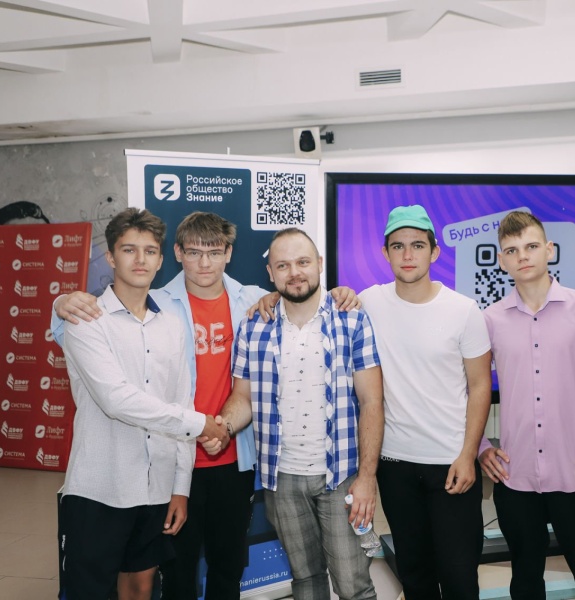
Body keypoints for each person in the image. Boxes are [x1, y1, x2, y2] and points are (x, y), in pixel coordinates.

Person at [52, 212, 360, 600]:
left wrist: (341, 293)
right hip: (169, 462)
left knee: (227, 565)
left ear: (229, 253)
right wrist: (60, 302)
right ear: (177, 254)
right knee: (174, 571)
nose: (204, 263)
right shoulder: (158, 304)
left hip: (232, 454)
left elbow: (300, 292)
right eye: (194, 252)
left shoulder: (252, 299)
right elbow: (77, 337)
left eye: (214, 253)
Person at [57, 208, 230, 600]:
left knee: (140, 588)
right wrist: (200, 423)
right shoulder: (86, 319)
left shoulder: (172, 324)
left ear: (161, 259)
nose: (140, 260)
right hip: (100, 488)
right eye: (129, 250)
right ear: (111, 257)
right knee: (88, 593)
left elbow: (180, 399)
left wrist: (180, 488)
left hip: (156, 488)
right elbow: (116, 399)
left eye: (149, 251)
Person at [203, 227, 384, 600]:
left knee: (353, 585)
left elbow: (372, 402)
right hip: (281, 479)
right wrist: (223, 427)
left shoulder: (352, 320)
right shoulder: (254, 325)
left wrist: (367, 477)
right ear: (270, 273)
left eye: (303, 262)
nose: (294, 272)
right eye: (283, 265)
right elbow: (243, 397)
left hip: (341, 476)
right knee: (305, 579)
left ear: (319, 264)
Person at [360, 205, 492, 600]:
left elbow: (480, 386)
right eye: (397, 246)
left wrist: (468, 455)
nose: (407, 255)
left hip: (451, 464)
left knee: (459, 579)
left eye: (417, 245)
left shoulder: (463, 310)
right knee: (415, 578)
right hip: (395, 466)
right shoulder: (368, 302)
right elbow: (315, 305)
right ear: (385, 253)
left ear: (434, 252)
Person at [477, 211, 575, 600]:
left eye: (531, 246)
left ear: (549, 250)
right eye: (512, 250)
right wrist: (482, 447)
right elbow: (470, 388)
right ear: (501, 260)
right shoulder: (490, 320)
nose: (523, 256)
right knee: (524, 580)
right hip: (515, 475)